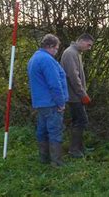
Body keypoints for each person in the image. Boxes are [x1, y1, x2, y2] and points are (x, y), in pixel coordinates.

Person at [27, 34, 69, 167]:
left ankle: (44, 159)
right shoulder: (47, 60)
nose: (56, 51)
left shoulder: (34, 58)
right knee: (55, 131)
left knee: (42, 130)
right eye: (56, 48)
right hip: (51, 103)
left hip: (40, 102)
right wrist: (61, 103)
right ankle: (57, 162)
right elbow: (54, 84)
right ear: (50, 46)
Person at [60, 33, 94, 158]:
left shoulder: (76, 53)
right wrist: (82, 94)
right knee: (81, 121)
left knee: (78, 121)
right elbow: (73, 77)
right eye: (88, 45)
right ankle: (74, 150)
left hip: (76, 95)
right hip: (74, 96)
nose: (89, 48)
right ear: (81, 41)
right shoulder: (70, 53)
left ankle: (79, 147)